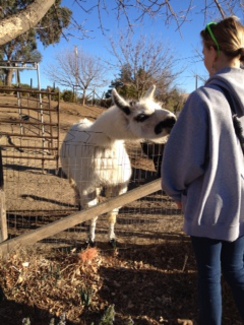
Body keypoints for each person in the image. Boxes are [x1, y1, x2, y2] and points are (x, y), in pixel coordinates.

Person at [161, 16, 244, 325]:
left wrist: (175, 190)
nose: (203, 57)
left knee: (210, 275)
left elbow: (182, 161)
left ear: (213, 50)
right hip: (243, 205)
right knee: (235, 269)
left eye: (204, 50)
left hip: (212, 205)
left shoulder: (203, 100)